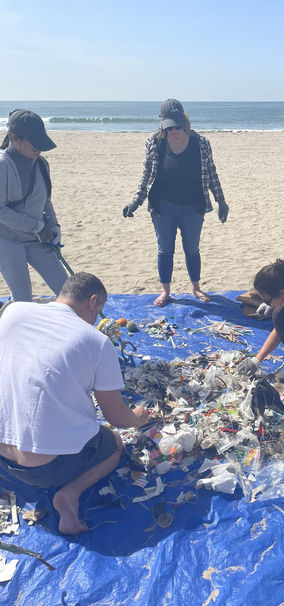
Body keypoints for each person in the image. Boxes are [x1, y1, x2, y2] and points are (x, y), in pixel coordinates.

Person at [0, 272, 149, 535]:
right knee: (114, 443)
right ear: (92, 302)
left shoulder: (14, 311)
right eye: (98, 311)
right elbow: (116, 417)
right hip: (43, 469)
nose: (95, 320)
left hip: (3, 459)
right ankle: (69, 494)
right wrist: (138, 417)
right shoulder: (97, 342)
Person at [122, 98, 229, 306]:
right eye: (170, 128)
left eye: (178, 126)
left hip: (193, 206)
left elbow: (212, 173)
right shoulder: (154, 143)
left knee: (192, 249)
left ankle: (196, 287)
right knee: (165, 250)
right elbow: (146, 175)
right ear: (163, 125)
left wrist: (221, 201)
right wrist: (136, 201)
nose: (175, 131)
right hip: (163, 207)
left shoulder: (201, 143)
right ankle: (165, 291)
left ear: (185, 122)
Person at [0, 109, 67, 301]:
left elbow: (45, 201)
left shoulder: (41, 164)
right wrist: (38, 227)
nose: (39, 149)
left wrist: (54, 228)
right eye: (34, 144)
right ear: (14, 138)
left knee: (66, 291)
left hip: (38, 239)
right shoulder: (3, 165)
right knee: (22, 299)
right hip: (7, 240)